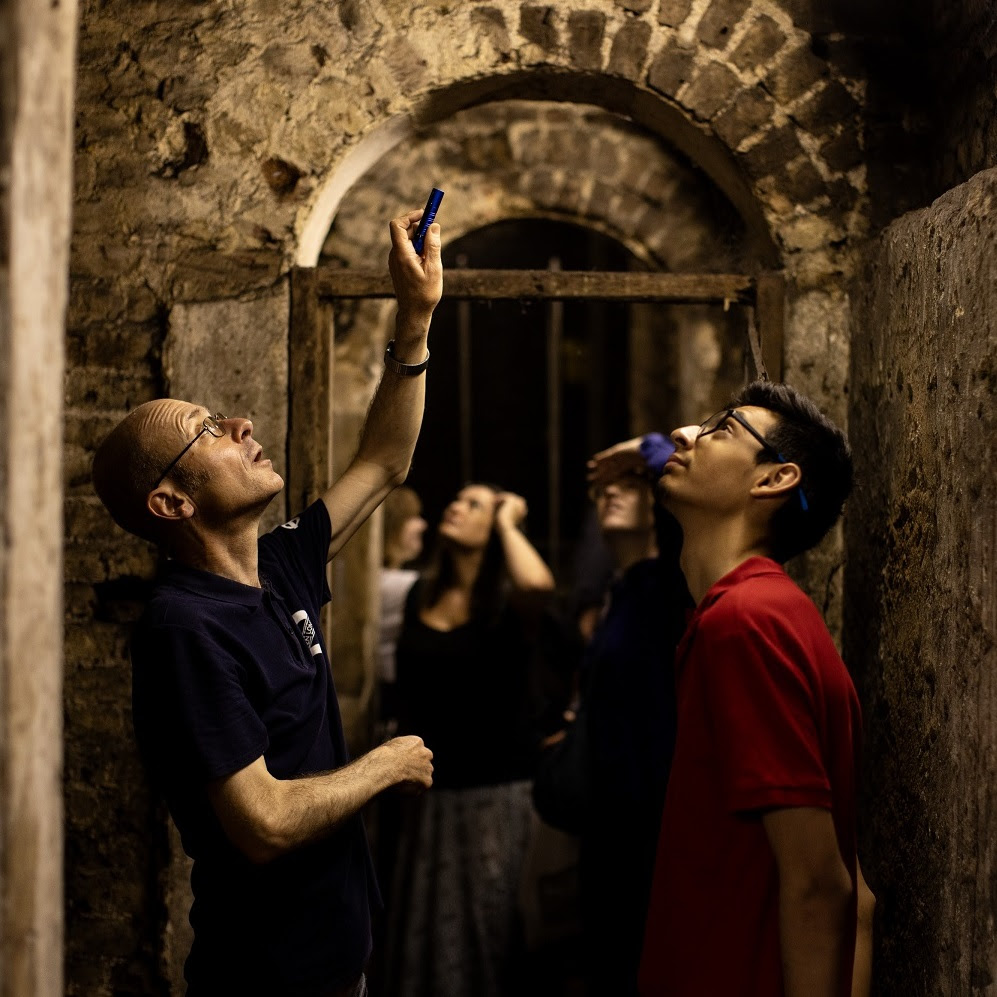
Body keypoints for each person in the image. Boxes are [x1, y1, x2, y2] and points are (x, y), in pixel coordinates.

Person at [90, 206, 443, 997]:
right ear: (173, 503)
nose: (241, 424)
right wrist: (386, 762)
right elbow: (262, 822)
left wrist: (415, 319)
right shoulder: (184, 630)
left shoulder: (278, 564)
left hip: (334, 953)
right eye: (209, 429)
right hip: (268, 974)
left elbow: (385, 460)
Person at [619, 380, 873, 997]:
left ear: (773, 480)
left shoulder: (746, 622)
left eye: (721, 430)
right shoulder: (760, 611)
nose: (683, 434)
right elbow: (859, 896)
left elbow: (821, 883)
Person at [386, 484, 555, 997]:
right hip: (431, 797)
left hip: (493, 793)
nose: (455, 505)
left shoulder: (508, 603)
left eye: (475, 504)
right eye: (455, 498)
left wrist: (508, 524)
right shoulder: (421, 593)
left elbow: (539, 585)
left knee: (487, 932)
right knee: (424, 939)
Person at [572, 464, 691, 996]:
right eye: (604, 488)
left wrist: (647, 452)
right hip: (611, 820)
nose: (611, 494)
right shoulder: (618, 592)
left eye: (632, 485)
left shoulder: (666, 586)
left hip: (652, 819)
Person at [377, 485, 428, 738]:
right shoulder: (404, 585)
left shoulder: (379, 580)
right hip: (390, 693)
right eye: (411, 517)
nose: (421, 525)